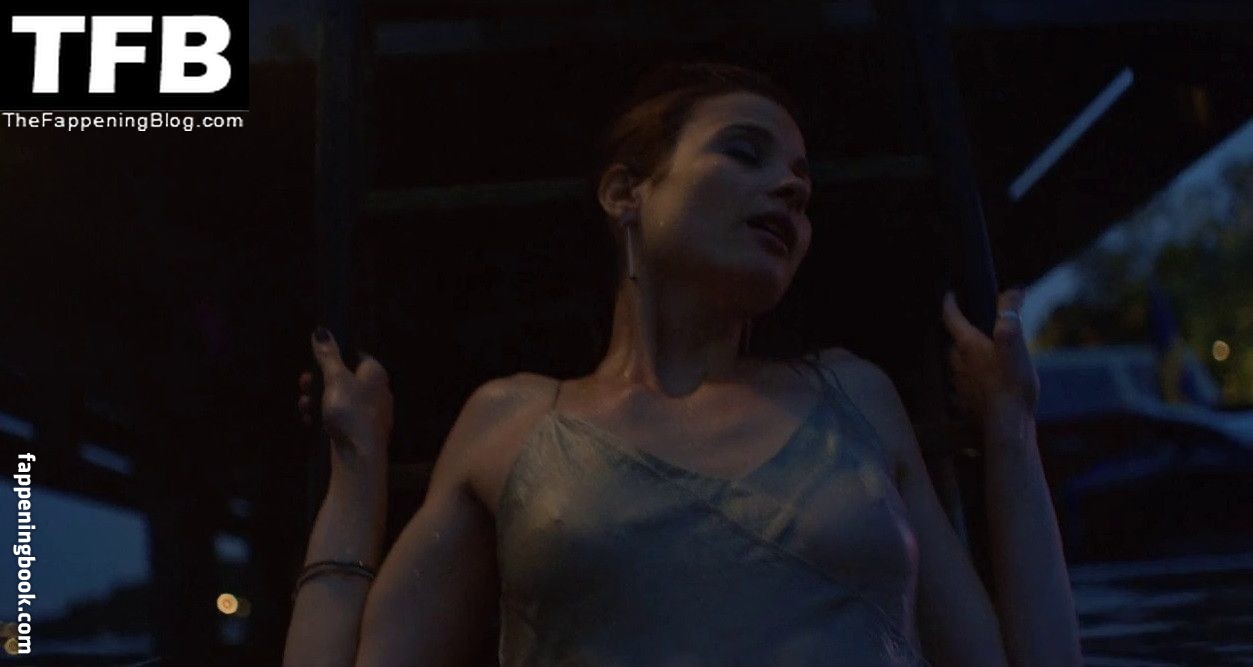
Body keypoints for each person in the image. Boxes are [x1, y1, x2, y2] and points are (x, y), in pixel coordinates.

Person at [283, 62, 1081, 667]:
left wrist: (1010, 429)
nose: (788, 188)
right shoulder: (515, 420)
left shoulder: (855, 397)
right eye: (745, 153)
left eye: (801, 187)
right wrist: (356, 466)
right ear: (624, 193)